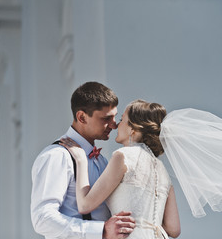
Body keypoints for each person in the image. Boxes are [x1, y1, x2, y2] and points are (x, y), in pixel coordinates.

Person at [60, 100, 181, 239]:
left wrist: (81, 160)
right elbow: (174, 229)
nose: (117, 125)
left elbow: (85, 205)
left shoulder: (123, 156)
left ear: (132, 129)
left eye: (122, 119)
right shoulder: (163, 171)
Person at [30, 82, 136, 239]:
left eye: (115, 117)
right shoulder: (57, 156)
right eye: (106, 118)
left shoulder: (103, 161)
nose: (114, 125)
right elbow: (42, 219)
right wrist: (101, 231)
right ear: (81, 117)